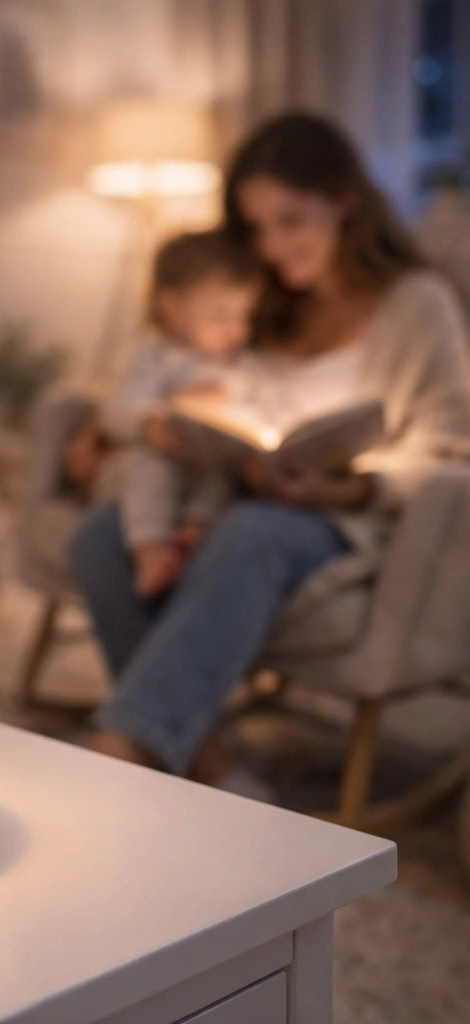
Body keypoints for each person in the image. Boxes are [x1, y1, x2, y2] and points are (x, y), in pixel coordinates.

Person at [68, 111, 470, 782]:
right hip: (237, 494)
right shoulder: (262, 301)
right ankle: (207, 761)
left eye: (291, 220)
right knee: (101, 536)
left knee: (258, 531)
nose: (271, 246)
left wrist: (337, 487)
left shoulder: (416, 304)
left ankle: (123, 750)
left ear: (343, 201)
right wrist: (109, 428)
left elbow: (448, 450)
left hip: (346, 517)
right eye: (255, 228)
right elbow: (181, 379)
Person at [98, 229, 262, 597]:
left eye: (243, 317)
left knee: (222, 479)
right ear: (171, 307)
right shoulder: (153, 358)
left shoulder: (243, 367)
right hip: (166, 450)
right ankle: (151, 550)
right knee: (149, 468)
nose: (236, 330)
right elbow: (118, 409)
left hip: (214, 458)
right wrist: (150, 421)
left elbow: (260, 408)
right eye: (221, 316)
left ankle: (194, 530)